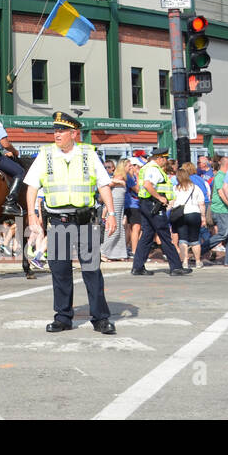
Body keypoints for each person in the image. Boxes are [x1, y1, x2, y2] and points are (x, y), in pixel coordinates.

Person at [24, 112, 117, 335]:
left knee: (92, 270)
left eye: (61, 130)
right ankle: (63, 317)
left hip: (85, 219)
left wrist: (112, 213)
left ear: (74, 133)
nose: (56, 134)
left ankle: (100, 318)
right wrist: (31, 214)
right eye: (55, 130)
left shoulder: (89, 154)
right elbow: (32, 187)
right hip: (58, 220)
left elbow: (104, 184)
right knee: (60, 271)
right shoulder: (45, 154)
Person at [130, 147, 188, 276]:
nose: (166, 161)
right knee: (165, 235)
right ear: (159, 158)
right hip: (153, 204)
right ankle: (176, 267)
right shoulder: (154, 169)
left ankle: (138, 267)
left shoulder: (147, 168)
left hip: (146, 204)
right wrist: (159, 197)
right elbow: (147, 184)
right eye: (165, 158)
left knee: (147, 235)